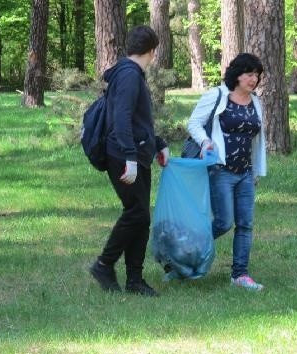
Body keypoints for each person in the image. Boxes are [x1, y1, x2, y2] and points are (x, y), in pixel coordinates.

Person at [89, 25, 170, 297]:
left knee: (141, 217)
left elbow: (137, 120)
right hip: (124, 156)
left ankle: (135, 279)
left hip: (136, 153)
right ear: (151, 51)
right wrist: (130, 158)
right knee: (136, 213)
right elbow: (121, 119)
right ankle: (104, 264)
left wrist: (159, 144)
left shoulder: (131, 74)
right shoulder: (129, 76)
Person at [187, 53, 267, 291]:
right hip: (220, 170)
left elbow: (256, 140)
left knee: (246, 224)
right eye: (248, 74)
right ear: (237, 74)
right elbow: (194, 124)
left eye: (256, 75)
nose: (253, 79)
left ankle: (240, 275)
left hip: (245, 172)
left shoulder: (256, 102)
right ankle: (185, 251)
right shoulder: (217, 95)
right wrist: (205, 142)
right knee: (223, 223)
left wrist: (255, 171)